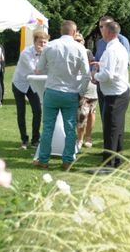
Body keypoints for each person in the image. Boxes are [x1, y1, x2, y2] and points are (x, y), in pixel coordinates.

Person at [33, 20, 90, 171]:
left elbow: (39, 68)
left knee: (47, 128)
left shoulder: (50, 46)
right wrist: (81, 92)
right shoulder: (80, 48)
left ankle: (43, 160)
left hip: (52, 90)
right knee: (70, 128)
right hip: (70, 92)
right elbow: (86, 75)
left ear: (61, 31)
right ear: (74, 32)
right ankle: (67, 160)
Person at [91, 21, 130, 169]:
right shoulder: (118, 47)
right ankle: (117, 162)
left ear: (107, 33)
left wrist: (95, 75)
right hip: (120, 92)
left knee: (111, 131)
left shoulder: (111, 50)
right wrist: (101, 66)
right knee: (117, 130)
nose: (101, 31)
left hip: (115, 94)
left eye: (102, 29)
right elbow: (113, 68)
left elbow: (108, 74)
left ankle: (108, 165)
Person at [12, 30, 49, 150]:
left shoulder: (47, 52)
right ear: (34, 42)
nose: (43, 45)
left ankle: (35, 140)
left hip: (33, 84)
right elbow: (36, 70)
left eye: (45, 42)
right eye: (40, 42)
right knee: (21, 111)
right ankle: (24, 140)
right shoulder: (26, 53)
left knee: (37, 111)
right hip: (20, 83)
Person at [94, 16, 130, 118]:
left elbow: (124, 63)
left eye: (105, 26)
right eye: (100, 26)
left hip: (114, 86)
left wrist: (100, 74)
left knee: (114, 118)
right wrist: (94, 73)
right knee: (104, 114)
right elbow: (97, 60)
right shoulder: (100, 42)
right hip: (101, 82)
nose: (102, 29)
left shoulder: (121, 41)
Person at [74, 32, 97, 152]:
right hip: (76, 86)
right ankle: (79, 138)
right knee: (81, 114)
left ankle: (88, 137)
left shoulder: (88, 52)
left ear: (83, 41)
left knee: (91, 112)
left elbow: (93, 66)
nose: (78, 42)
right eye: (75, 40)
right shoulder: (71, 51)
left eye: (79, 40)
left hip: (90, 86)